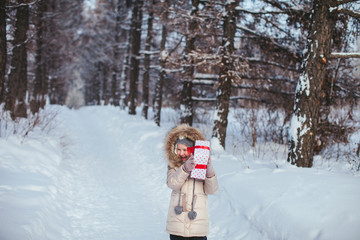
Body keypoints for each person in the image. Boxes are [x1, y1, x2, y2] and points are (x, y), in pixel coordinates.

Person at [164, 124, 218, 240]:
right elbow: (173, 183)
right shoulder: (173, 167)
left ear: (193, 150)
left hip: (198, 227)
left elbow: (212, 190)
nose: (182, 153)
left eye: (185, 150)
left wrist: (209, 173)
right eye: (178, 149)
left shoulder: (202, 168)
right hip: (177, 226)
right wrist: (184, 169)